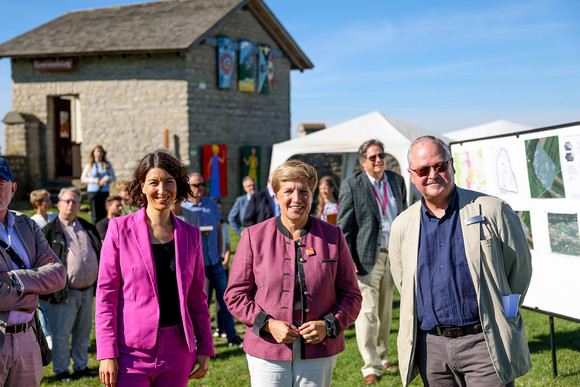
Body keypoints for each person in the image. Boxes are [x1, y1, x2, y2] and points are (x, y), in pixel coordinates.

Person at [389, 136, 532, 386]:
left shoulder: (492, 210)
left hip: (484, 343)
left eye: (440, 166)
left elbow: (520, 271)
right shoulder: (403, 224)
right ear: (412, 175)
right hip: (432, 349)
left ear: (452, 166)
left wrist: (506, 315)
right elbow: (404, 282)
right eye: (423, 170)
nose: (433, 174)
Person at [225, 160, 362, 387]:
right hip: (267, 348)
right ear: (276, 196)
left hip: (319, 349)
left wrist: (328, 325)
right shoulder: (253, 236)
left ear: (312, 194)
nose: (296, 198)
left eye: (303, 191)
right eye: (288, 191)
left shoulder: (333, 235)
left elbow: (352, 296)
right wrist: (268, 324)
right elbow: (235, 295)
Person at [96, 151, 214, 387]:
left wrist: (206, 346)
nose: (162, 190)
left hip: (178, 350)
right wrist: (106, 353)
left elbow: (197, 297)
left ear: (178, 186)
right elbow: (106, 296)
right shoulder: (119, 229)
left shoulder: (190, 234)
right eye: (154, 182)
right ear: (142, 187)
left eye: (169, 181)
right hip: (130, 352)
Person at [337, 139, 407, 385]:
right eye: (373, 157)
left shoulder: (397, 181)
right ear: (362, 161)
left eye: (381, 155)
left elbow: (405, 217)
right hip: (365, 258)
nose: (378, 160)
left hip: (394, 255)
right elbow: (343, 227)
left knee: (386, 312)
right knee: (367, 313)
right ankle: (370, 365)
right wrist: (348, 259)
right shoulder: (351, 185)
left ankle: (383, 355)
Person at [0, 158, 67, 387]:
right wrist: (34, 293)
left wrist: (17, 279)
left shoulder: (25, 224)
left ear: (13, 188)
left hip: (28, 336)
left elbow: (58, 274)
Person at [41, 186, 101, 382]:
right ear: (59, 204)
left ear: (79, 205)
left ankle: (81, 366)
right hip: (64, 292)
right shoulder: (49, 231)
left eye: (75, 201)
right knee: (61, 333)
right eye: (67, 201)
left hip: (88, 290)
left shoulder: (88, 227)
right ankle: (61, 370)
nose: (71, 204)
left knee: (84, 332)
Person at [182, 172, 243, 347]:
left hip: (214, 262)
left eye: (201, 184)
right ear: (188, 188)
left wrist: (219, 253)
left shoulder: (211, 204)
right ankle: (198, 339)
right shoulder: (183, 209)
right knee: (199, 303)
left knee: (226, 300)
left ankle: (231, 335)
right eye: (195, 185)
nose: (199, 188)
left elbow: (218, 227)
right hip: (197, 265)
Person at [81, 144, 116, 224]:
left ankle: (104, 230)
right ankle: (96, 230)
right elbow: (83, 178)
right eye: (97, 151)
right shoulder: (89, 165)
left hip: (104, 191)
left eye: (100, 151)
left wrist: (106, 179)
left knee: (104, 212)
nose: (99, 153)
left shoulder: (107, 164)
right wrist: (93, 180)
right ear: (93, 153)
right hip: (93, 191)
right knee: (95, 213)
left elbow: (113, 177)